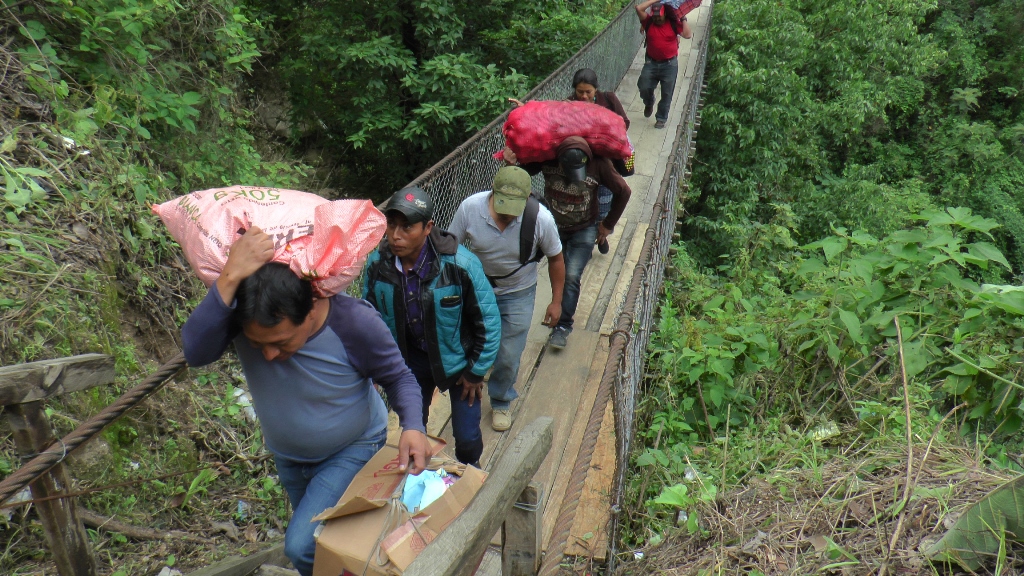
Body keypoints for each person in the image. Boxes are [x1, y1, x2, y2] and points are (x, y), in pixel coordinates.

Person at [181, 228, 431, 576]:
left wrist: (413, 426)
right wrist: (231, 274)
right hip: (290, 459)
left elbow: (399, 377)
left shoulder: (353, 323)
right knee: (330, 549)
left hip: (354, 448)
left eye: (281, 342)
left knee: (303, 546)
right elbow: (194, 352)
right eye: (257, 345)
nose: (269, 355)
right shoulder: (244, 318)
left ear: (312, 308)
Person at [363, 186, 501, 466]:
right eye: (391, 224)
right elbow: (369, 320)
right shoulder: (378, 265)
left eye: (407, 227)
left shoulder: (460, 265)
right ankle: (419, 476)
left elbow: (489, 323)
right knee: (414, 427)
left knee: (467, 438)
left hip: (458, 361)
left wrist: (475, 372)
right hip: (410, 363)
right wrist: (373, 368)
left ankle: (470, 471)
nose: (395, 235)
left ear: (427, 228)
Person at [448, 166, 565, 431]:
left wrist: (556, 301)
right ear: (492, 193)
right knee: (470, 342)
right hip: (477, 289)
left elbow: (556, 259)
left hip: (518, 292)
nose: (508, 214)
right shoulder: (470, 208)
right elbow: (450, 248)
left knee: (510, 351)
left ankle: (501, 399)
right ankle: (474, 381)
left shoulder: (541, 219)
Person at [503, 136, 631, 349]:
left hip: (584, 228)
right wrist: (510, 163)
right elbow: (521, 174)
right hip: (551, 226)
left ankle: (562, 326)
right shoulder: (547, 157)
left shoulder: (598, 164)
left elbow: (624, 191)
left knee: (571, 275)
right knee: (524, 262)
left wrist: (608, 224)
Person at [569, 67, 631, 254]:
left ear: (596, 89)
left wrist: (604, 134)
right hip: (582, 166)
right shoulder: (568, 105)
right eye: (580, 92)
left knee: (604, 205)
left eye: (588, 92)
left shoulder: (608, 100)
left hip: (606, 164)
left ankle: (602, 235)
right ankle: (589, 242)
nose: (584, 96)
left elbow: (624, 122)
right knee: (583, 206)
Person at [636, 0, 693, 129]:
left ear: (665, 14)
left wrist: (683, 19)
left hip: (669, 65)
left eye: (659, 16)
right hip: (651, 62)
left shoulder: (673, 23)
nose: (657, 18)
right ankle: (649, 102)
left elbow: (688, 35)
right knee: (643, 86)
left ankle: (661, 118)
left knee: (667, 93)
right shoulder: (648, 21)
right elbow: (639, 8)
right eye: (655, 16)